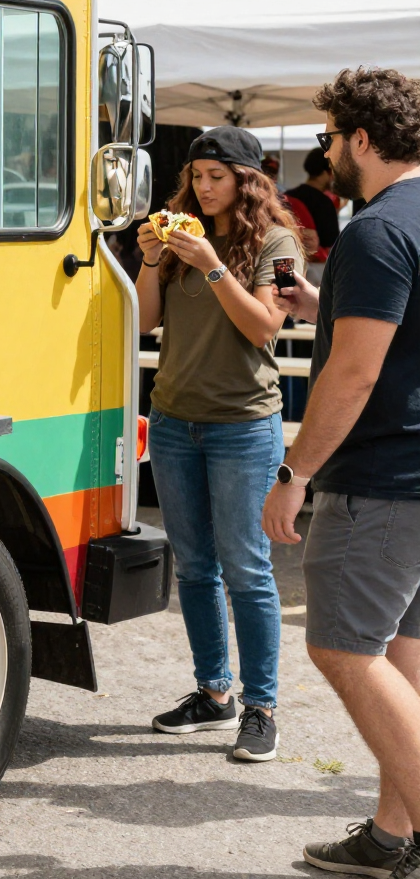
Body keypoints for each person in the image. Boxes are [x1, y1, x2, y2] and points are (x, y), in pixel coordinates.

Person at [262, 68, 420, 879]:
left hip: (385, 480)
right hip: (415, 478)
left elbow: (354, 375)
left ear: (362, 140)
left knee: (344, 649)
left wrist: (294, 476)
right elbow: (395, 335)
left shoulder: (375, 232)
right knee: (402, 653)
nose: (326, 153)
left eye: (330, 138)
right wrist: (322, 302)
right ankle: (392, 835)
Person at [136, 126, 303, 761]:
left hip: (243, 425)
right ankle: (214, 695)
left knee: (248, 569)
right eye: (196, 176)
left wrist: (210, 268)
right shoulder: (179, 235)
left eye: (217, 177)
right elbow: (146, 321)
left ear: (246, 179)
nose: (203, 188)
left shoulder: (280, 242)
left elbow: (265, 326)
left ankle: (262, 708)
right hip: (175, 419)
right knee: (196, 567)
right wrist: (153, 258)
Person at [288, 149, 342, 267]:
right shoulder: (325, 203)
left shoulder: (288, 195)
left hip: (289, 262)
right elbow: (331, 242)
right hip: (315, 268)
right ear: (325, 173)